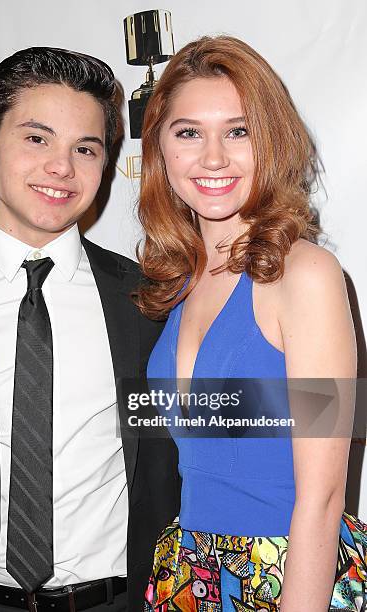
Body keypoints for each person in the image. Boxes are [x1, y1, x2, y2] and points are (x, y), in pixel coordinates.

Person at [0, 47, 180, 612]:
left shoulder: (151, 301)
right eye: (36, 139)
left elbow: (218, 439)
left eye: (85, 148)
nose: (62, 168)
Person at [135, 36, 367, 610]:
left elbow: (324, 492)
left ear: (270, 141)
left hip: (289, 572)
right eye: (188, 132)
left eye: (238, 131)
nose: (213, 157)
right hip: (188, 571)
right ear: (161, 147)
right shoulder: (180, 279)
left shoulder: (307, 274)